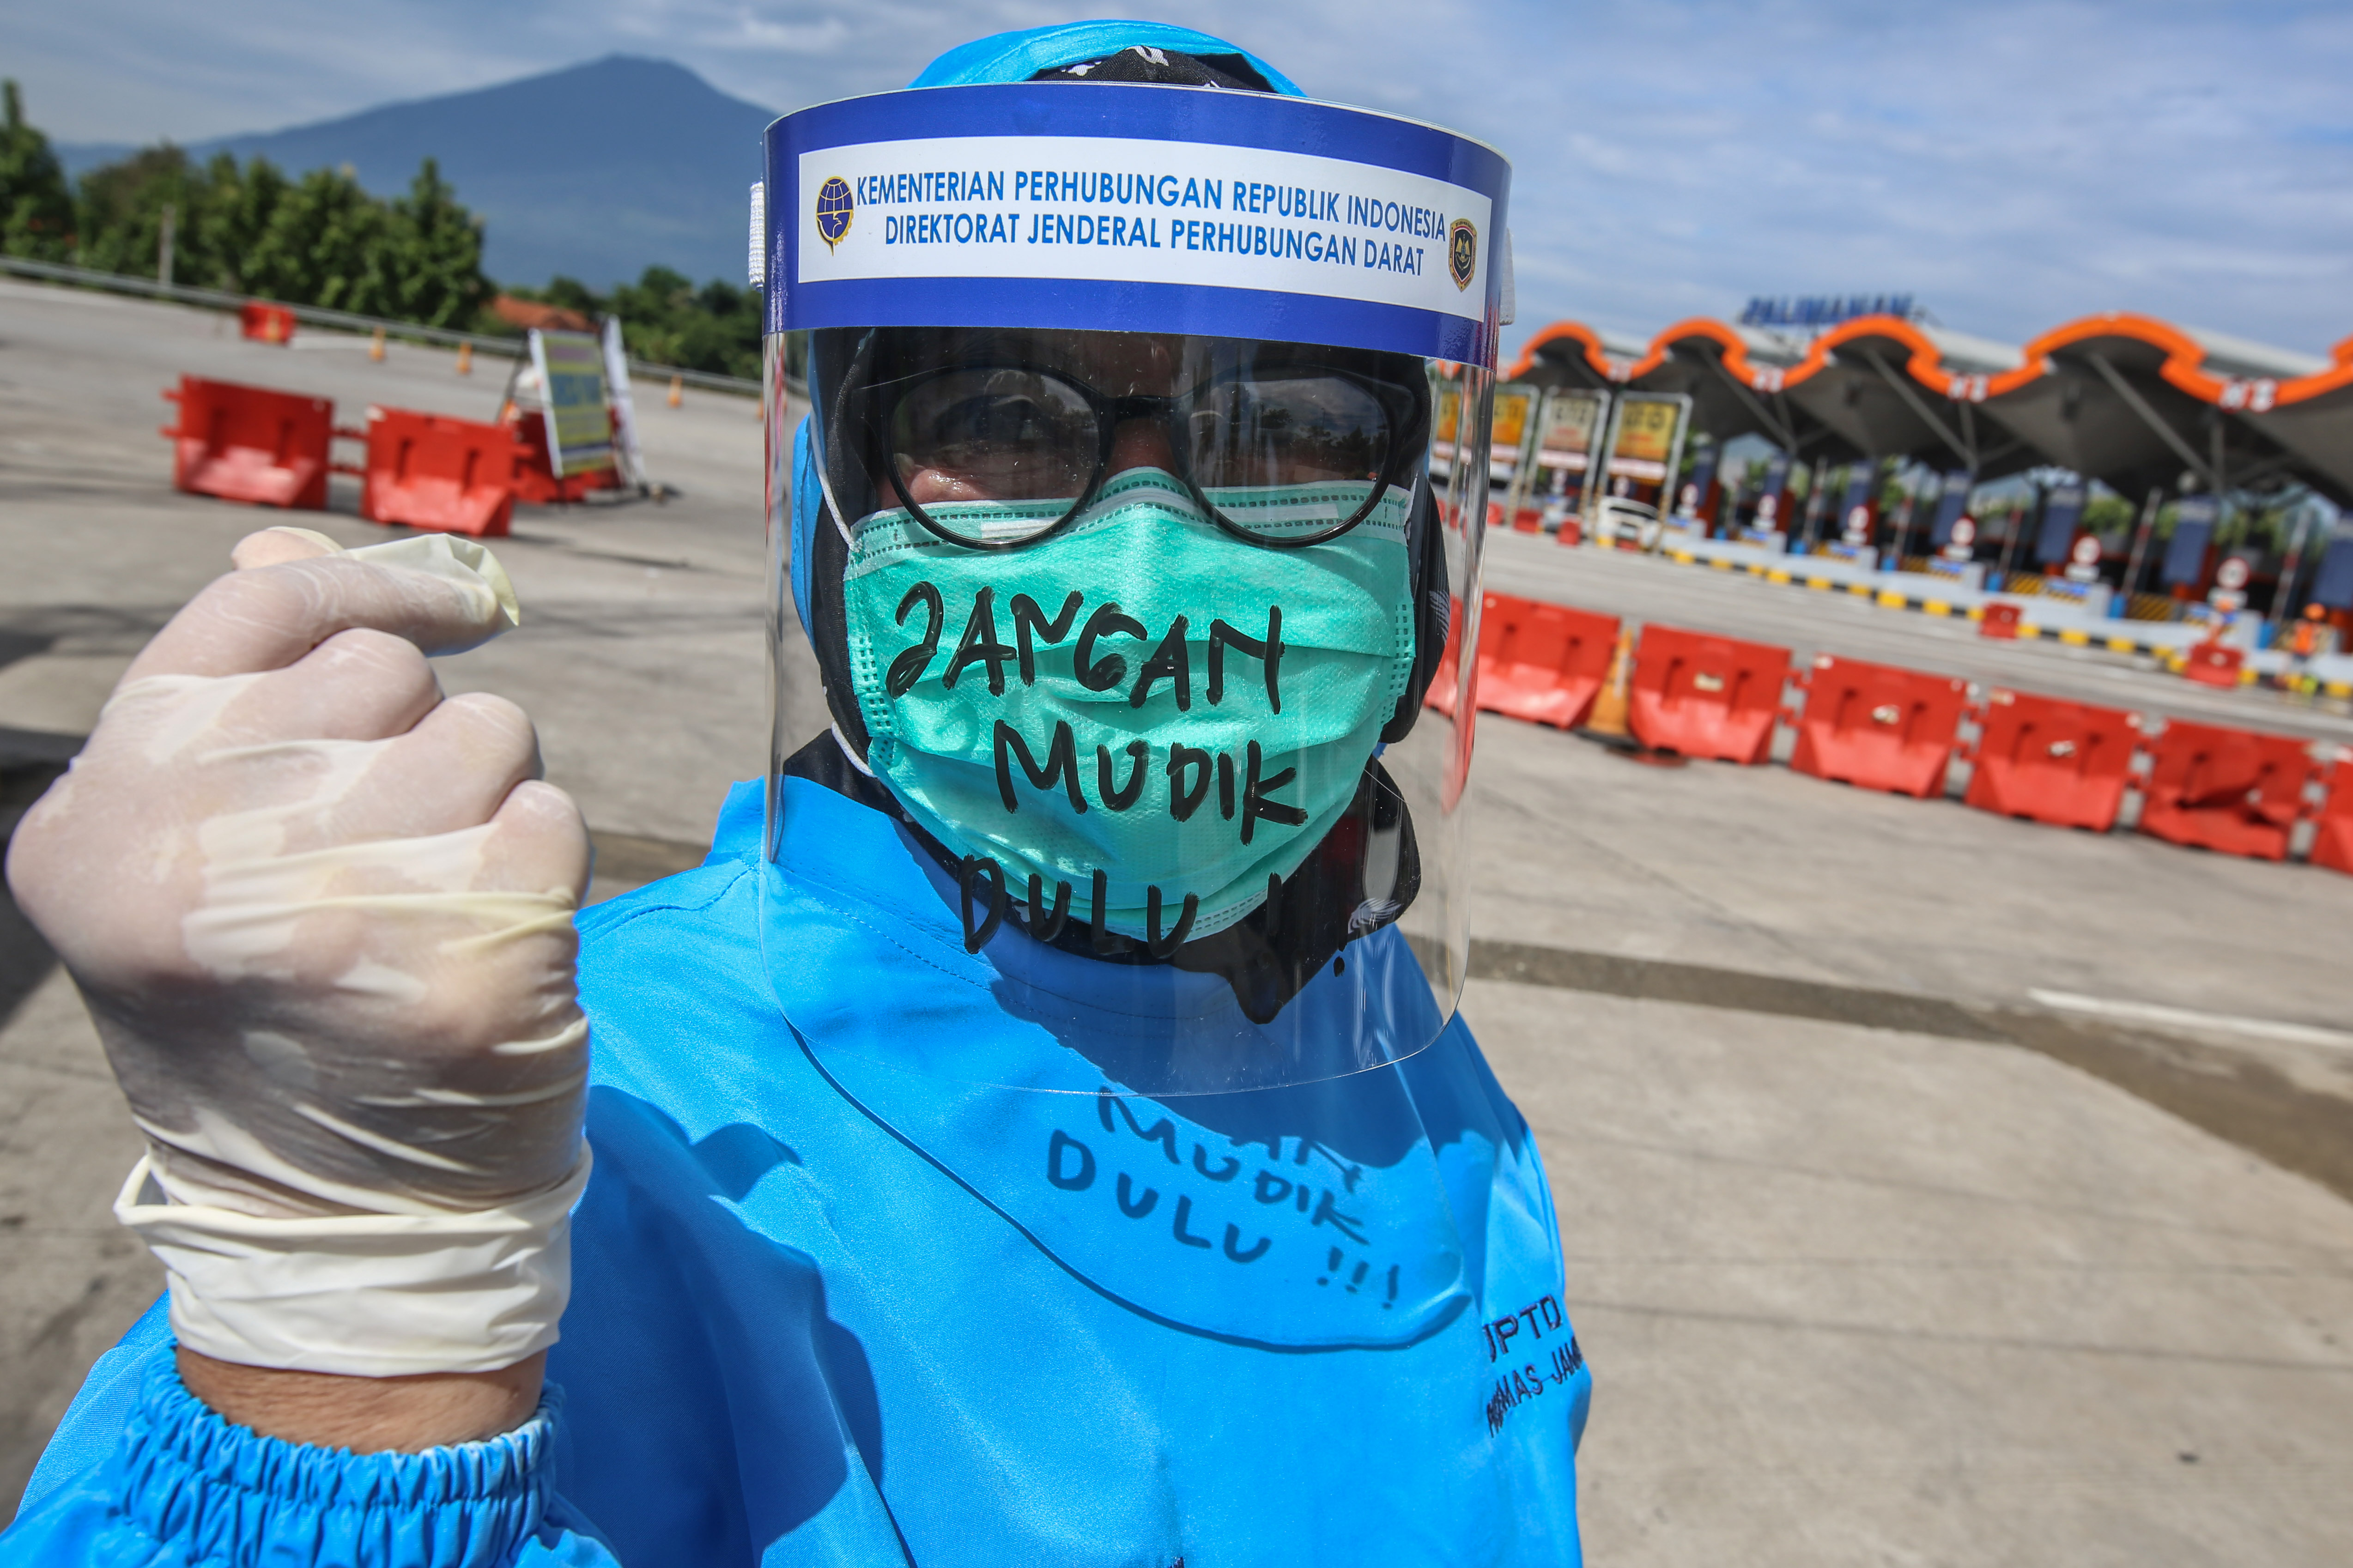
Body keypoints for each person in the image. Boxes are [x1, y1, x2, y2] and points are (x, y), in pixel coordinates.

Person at [2, 22, 1586, 1565]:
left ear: (1417, 539)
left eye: (1294, 427)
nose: (1156, 551)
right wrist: (351, 1347)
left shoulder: (1422, 1086)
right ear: (828, 517)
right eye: (999, 419)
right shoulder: (581, 1123)